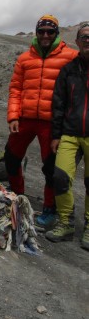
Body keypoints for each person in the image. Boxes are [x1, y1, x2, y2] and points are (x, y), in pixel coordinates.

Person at [5, 15, 78, 228]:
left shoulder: (71, 56)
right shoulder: (25, 58)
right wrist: (13, 116)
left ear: (57, 33)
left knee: (50, 167)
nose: (45, 35)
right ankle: (16, 196)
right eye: (41, 31)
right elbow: (16, 88)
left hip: (52, 122)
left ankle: (49, 208)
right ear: (36, 33)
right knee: (11, 157)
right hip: (25, 119)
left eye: (50, 31)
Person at [47, 22, 89, 248]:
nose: (87, 41)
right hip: (70, 133)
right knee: (60, 178)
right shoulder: (69, 70)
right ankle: (66, 222)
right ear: (77, 41)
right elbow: (59, 105)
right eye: (84, 37)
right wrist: (56, 135)